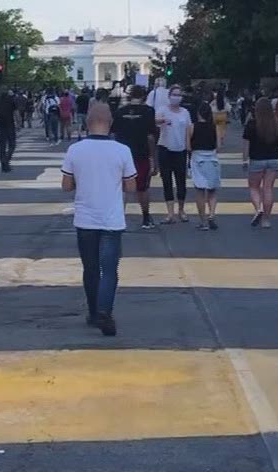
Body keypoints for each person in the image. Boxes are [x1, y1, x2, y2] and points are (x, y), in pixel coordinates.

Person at [62, 102, 138, 337]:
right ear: (111, 122)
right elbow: (131, 185)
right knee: (109, 269)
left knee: (91, 269)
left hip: (85, 219)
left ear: (87, 123)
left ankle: (94, 313)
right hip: (112, 219)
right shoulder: (122, 150)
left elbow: (66, 186)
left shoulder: (75, 150)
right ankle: (105, 310)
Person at [111, 84, 161, 229]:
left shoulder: (120, 112)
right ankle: (145, 217)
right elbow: (151, 137)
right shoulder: (148, 112)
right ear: (144, 96)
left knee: (121, 187)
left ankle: (118, 217)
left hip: (121, 155)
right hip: (141, 154)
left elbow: (113, 134)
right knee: (142, 188)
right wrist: (154, 159)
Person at [242, 97, 278, 228]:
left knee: (254, 187)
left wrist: (245, 159)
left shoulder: (251, 124)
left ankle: (258, 209)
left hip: (256, 160)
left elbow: (246, 145)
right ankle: (266, 220)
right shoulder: (276, 124)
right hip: (273, 160)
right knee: (268, 188)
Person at [155, 88, 192, 224]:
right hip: (165, 148)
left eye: (179, 95)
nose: (176, 97)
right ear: (169, 96)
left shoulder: (185, 113)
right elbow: (155, 121)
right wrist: (162, 121)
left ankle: (181, 210)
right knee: (167, 180)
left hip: (180, 149)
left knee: (181, 180)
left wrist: (188, 147)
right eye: (174, 94)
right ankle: (170, 212)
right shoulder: (163, 110)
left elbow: (188, 129)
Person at [188, 99, 224, 230]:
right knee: (212, 190)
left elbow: (188, 146)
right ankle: (212, 215)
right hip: (212, 158)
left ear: (198, 114)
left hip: (198, 159)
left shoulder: (192, 127)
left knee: (199, 190)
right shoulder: (216, 127)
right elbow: (219, 146)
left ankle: (203, 221)